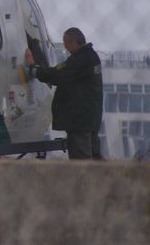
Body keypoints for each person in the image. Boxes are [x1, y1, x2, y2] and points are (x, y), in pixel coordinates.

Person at [27, 27, 103, 160]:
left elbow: (58, 74)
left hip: (79, 121)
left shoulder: (80, 59)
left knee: (81, 158)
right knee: (93, 155)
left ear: (73, 42)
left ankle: (83, 180)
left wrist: (35, 70)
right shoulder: (90, 56)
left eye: (65, 43)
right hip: (88, 119)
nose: (65, 47)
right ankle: (97, 179)